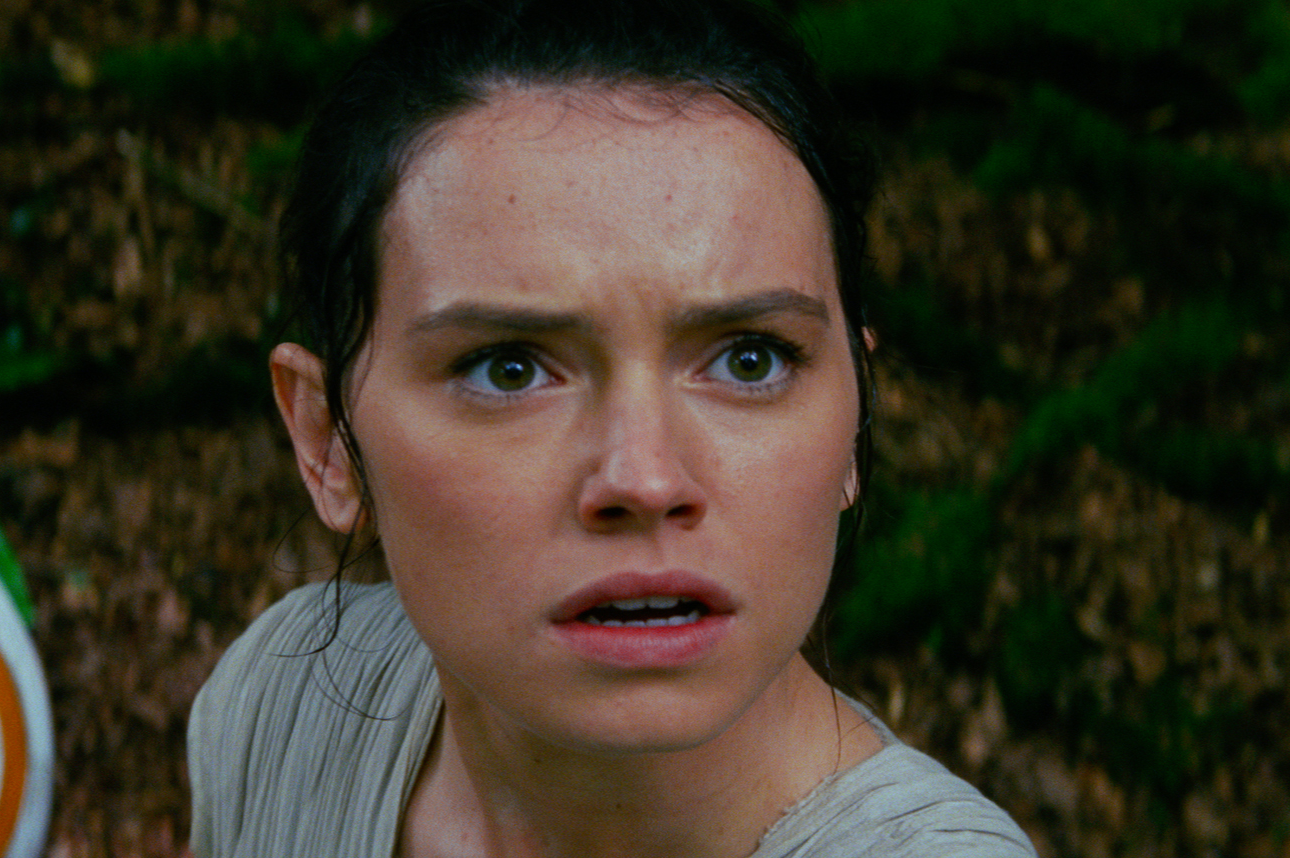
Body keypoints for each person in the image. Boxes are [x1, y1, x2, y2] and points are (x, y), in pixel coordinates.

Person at [186, 0, 1038, 856]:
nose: (646, 480)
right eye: (509, 368)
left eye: (750, 360)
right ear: (328, 441)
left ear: (857, 411)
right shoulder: (283, 703)